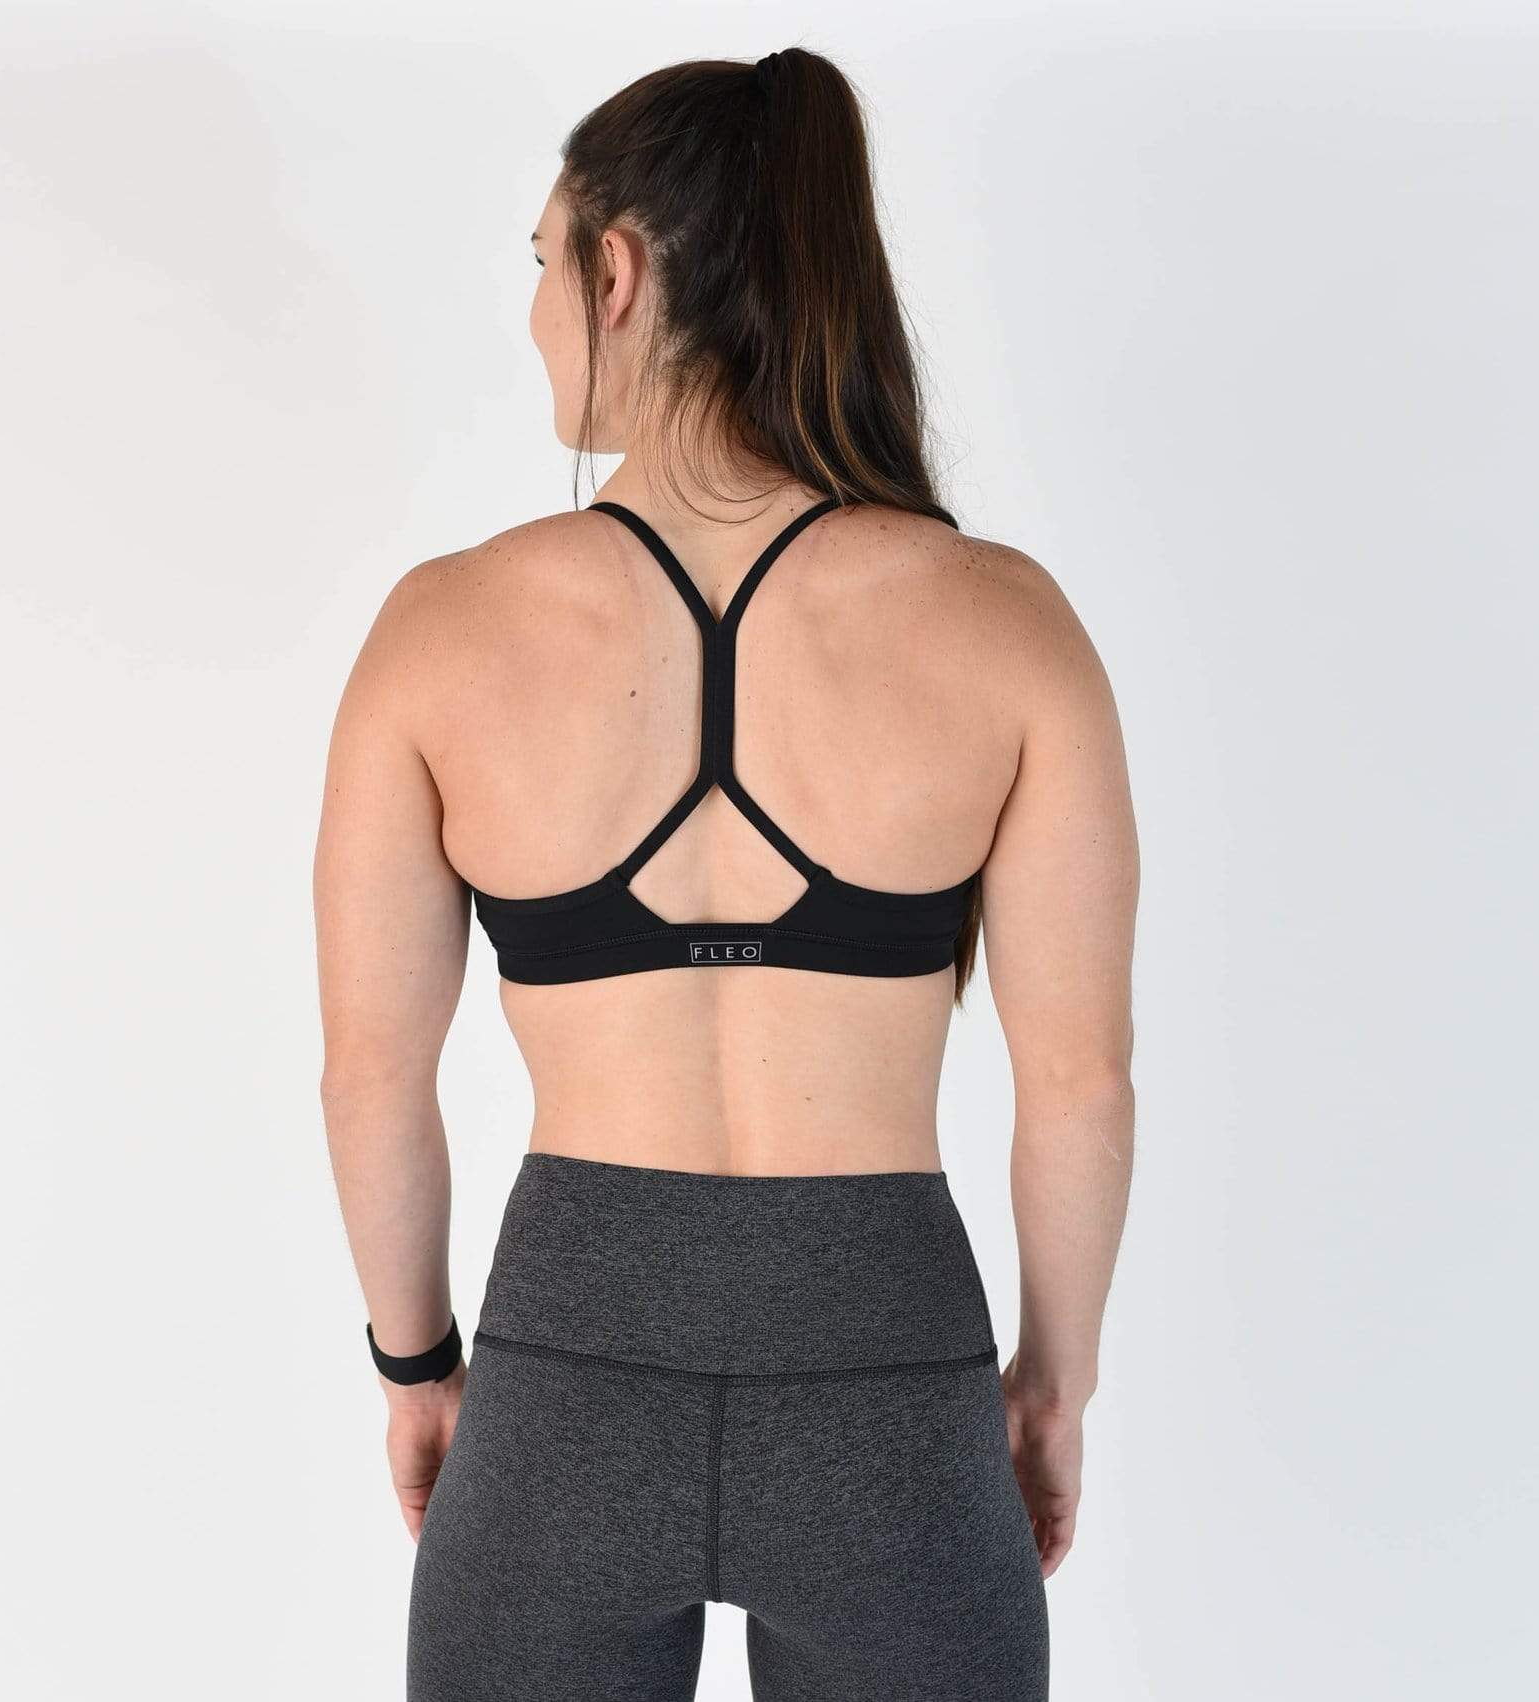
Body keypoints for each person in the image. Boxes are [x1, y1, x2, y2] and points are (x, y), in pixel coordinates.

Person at [313, 44, 1138, 1702]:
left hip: (562, 1388)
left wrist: (420, 1367)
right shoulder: (1004, 625)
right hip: (891, 1392)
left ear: (615, 273)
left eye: (542, 261)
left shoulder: (441, 632)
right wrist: (1050, 1390)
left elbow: (369, 1076)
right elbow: (1078, 1085)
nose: (537, 310)